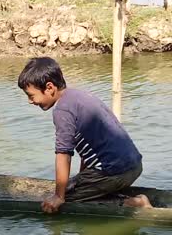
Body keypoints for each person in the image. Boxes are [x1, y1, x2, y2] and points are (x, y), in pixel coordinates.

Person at [17, 57, 152, 214]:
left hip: (116, 171)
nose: (30, 101)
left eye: (31, 95)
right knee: (71, 184)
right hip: (134, 166)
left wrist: (59, 196)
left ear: (49, 87)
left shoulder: (62, 110)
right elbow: (88, 147)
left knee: (66, 200)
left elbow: (63, 154)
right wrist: (82, 177)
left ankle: (133, 203)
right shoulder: (78, 96)